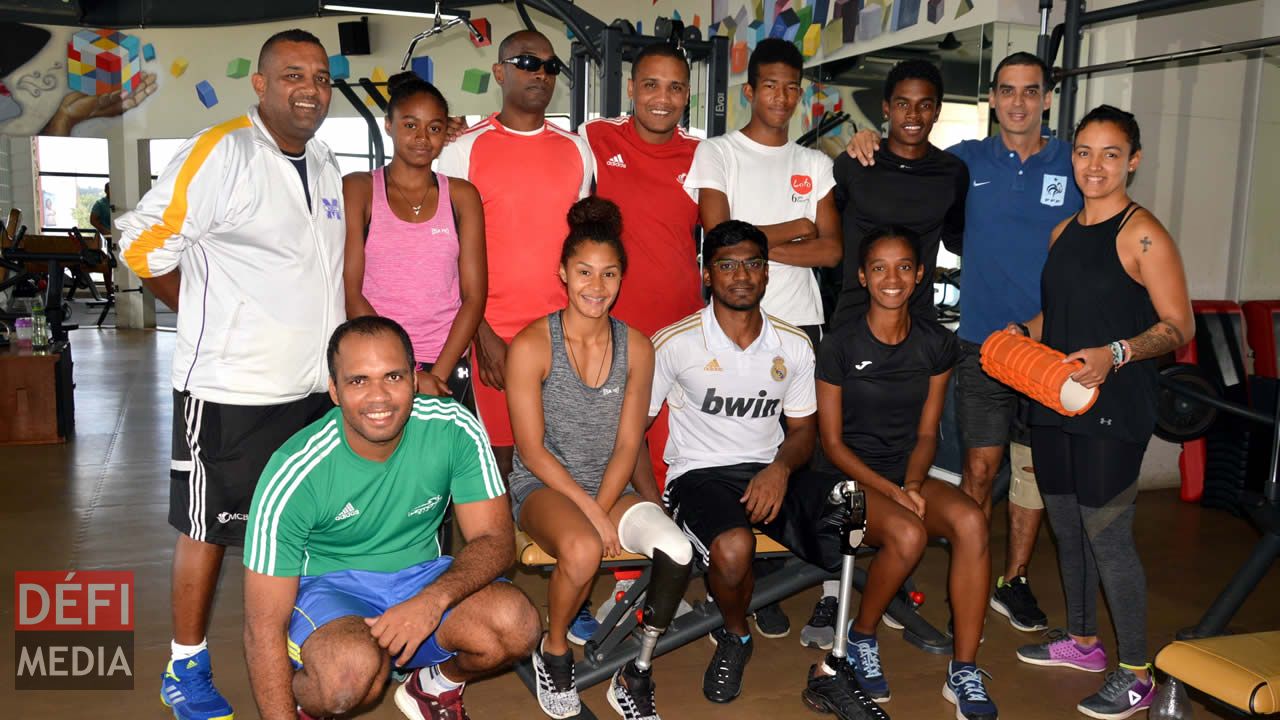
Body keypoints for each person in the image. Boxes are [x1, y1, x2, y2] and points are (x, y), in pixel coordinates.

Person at [115, 29, 343, 720]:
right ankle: (185, 665)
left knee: (299, 526)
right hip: (231, 390)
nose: (310, 88)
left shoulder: (327, 161)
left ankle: (299, 646)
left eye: (321, 77)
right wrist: (200, 314)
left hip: (313, 392)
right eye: (294, 74)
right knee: (209, 528)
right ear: (263, 83)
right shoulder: (223, 151)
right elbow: (140, 240)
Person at [845, 52, 1085, 633]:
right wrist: (861, 142)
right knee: (980, 468)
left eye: (1031, 91)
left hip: (1054, 343)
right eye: (1007, 90)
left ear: (1047, 99)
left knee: (1032, 470)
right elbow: (908, 168)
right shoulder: (963, 164)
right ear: (993, 99)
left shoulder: (1075, 165)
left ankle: (1014, 580)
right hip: (981, 343)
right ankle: (968, 582)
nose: (1019, 102)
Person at [242, 316, 540, 720]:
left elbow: (496, 540)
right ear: (334, 391)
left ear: (415, 381)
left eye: (393, 377)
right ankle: (312, 699)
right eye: (358, 381)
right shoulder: (295, 472)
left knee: (516, 623)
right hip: (329, 590)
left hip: (421, 578)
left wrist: (431, 600)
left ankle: (434, 686)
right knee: (349, 675)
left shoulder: (453, 428)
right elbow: (262, 628)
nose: (378, 397)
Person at [1012, 105, 1192, 720]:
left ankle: (1137, 670)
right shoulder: (1063, 233)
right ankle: (1084, 643)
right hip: (1057, 400)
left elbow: (1178, 327)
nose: (1095, 165)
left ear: (1132, 161)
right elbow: (1058, 317)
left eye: (1111, 154)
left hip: (1115, 407)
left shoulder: (1144, 235)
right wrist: (1019, 335)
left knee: (1108, 537)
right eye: (1085, 152)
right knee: (1066, 526)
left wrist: (1116, 353)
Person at [649, 220, 871, 718]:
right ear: (708, 275)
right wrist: (652, 501)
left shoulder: (791, 344)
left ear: (767, 273)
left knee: (855, 505)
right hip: (698, 476)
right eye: (727, 265)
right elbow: (633, 430)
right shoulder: (675, 341)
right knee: (733, 547)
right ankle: (735, 635)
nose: (741, 275)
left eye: (752, 263)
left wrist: (779, 470)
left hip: (769, 472)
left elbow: (803, 433)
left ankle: (840, 657)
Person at [506, 198, 693, 720]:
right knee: (586, 550)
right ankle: (556, 648)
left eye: (609, 274)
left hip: (609, 486)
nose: (596, 285)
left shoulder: (636, 346)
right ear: (562, 273)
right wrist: (590, 511)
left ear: (621, 279)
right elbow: (531, 450)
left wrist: (603, 503)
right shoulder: (532, 344)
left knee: (677, 551)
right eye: (584, 272)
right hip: (542, 487)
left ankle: (635, 674)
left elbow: (629, 444)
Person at [683, 37, 841, 638]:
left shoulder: (815, 164)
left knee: (802, 454)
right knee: (739, 451)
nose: (781, 96)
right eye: (769, 85)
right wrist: (797, 228)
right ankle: (752, 580)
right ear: (749, 91)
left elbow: (831, 249)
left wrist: (744, 246)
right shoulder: (718, 153)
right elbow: (714, 235)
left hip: (799, 326)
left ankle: (804, 580)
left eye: (792, 87)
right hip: (727, 328)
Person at [814, 225, 998, 720]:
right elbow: (830, 444)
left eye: (902, 267)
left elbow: (926, 433)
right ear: (862, 275)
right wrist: (893, 492)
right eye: (879, 268)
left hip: (904, 476)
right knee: (909, 534)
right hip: (845, 482)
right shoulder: (840, 344)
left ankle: (964, 670)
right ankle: (862, 635)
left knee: (972, 521)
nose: (891, 278)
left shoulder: (936, 344)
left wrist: (912, 485)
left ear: (919, 276)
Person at [577, 41, 702, 634]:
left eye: (675, 87)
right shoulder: (597, 140)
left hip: (681, 334)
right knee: (612, 452)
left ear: (688, 94)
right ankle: (624, 581)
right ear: (632, 89)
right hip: (615, 328)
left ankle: (669, 572)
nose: (662, 98)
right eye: (651, 85)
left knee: (667, 455)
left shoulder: (704, 155)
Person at [437, 29, 593, 485]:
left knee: (555, 464)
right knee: (495, 469)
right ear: (499, 72)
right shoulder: (462, 149)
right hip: (492, 337)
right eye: (527, 62)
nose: (540, 73)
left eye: (550, 66)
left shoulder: (577, 149)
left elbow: (580, 252)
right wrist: (479, 332)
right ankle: (492, 558)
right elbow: (446, 252)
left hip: (559, 339)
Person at [343, 72, 486, 405]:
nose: (422, 137)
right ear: (389, 125)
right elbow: (352, 292)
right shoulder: (359, 189)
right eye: (410, 125)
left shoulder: (462, 196)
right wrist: (404, 373)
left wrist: (437, 376)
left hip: (445, 365)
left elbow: (474, 296)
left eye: (434, 128)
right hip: (377, 365)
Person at [831, 59, 967, 323]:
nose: (913, 115)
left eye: (925, 105)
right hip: (853, 320)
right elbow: (828, 236)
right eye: (903, 104)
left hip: (918, 324)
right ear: (886, 108)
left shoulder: (952, 172)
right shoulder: (855, 162)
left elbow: (958, 241)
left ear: (937, 112)